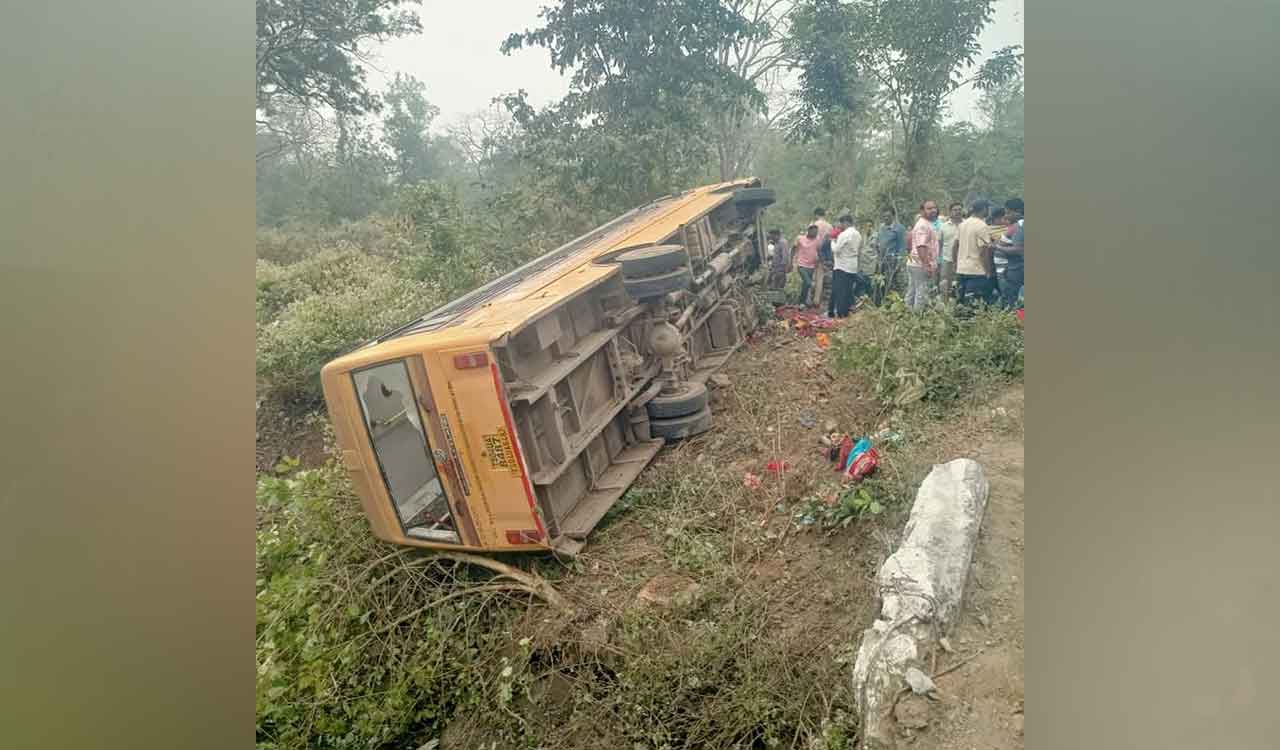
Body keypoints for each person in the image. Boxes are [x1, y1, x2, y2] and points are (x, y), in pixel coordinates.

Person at [953, 200, 999, 306]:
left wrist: (956, 263)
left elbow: (955, 246)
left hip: (962, 269)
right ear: (984, 209)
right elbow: (983, 251)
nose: (989, 211)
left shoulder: (962, 224)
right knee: (974, 304)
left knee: (961, 303)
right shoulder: (982, 226)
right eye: (988, 209)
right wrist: (988, 271)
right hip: (977, 271)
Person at [905, 200, 940, 311]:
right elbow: (921, 246)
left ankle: (907, 314)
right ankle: (917, 317)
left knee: (912, 291)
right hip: (920, 264)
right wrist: (926, 265)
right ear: (922, 211)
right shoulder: (923, 225)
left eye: (934, 208)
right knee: (921, 293)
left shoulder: (925, 223)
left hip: (915, 263)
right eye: (929, 208)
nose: (933, 210)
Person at [829, 214, 861, 317]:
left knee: (840, 291)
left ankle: (841, 313)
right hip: (852, 266)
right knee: (848, 290)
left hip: (842, 266)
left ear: (846, 222)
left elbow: (836, 249)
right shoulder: (858, 234)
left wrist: (832, 241)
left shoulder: (845, 234)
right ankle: (846, 312)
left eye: (841, 223)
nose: (840, 226)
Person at [873, 208, 907, 304]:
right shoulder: (882, 227)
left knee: (891, 283)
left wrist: (899, 263)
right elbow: (878, 242)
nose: (886, 218)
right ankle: (879, 303)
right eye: (884, 216)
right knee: (879, 283)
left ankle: (890, 303)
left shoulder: (899, 229)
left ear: (893, 216)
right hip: (881, 260)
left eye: (888, 216)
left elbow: (902, 246)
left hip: (892, 261)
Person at [996, 198, 1024, 309]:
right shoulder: (1017, 225)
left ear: (1018, 211)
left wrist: (998, 247)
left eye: (1008, 213)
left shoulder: (1020, 226)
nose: (1006, 216)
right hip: (1007, 269)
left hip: (1010, 270)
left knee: (1010, 300)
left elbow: (1019, 249)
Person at [792, 223, 822, 307]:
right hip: (801, 265)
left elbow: (819, 250)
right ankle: (802, 301)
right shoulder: (800, 238)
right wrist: (791, 261)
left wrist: (820, 260)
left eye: (816, 232)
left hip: (811, 266)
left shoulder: (817, 240)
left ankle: (801, 302)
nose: (815, 234)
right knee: (808, 283)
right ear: (809, 231)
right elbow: (793, 249)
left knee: (805, 284)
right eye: (814, 232)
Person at [938, 201, 963, 299]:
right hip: (947, 259)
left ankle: (959, 302)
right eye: (955, 210)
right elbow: (939, 244)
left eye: (959, 209)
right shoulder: (943, 226)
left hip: (962, 260)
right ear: (950, 212)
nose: (958, 212)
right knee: (945, 283)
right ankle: (945, 302)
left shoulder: (966, 225)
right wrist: (938, 260)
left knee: (960, 283)